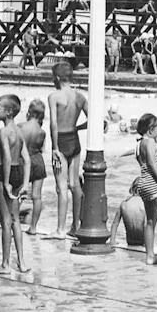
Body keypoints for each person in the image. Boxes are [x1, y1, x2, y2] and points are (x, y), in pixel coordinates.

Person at [48, 61, 87, 241]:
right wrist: (78, 128)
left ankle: (60, 229)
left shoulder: (54, 96)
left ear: (56, 77)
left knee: (61, 187)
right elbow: (97, 121)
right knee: (75, 185)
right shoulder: (80, 97)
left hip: (61, 142)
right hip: (75, 140)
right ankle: (75, 226)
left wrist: (54, 147)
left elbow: (54, 124)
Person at [0, 94, 31, 275]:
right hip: (19, 172)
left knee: (6, 221)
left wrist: (5, 183)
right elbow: (27, 160)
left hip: (5, 174)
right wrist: (25, 183)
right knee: (16, 221)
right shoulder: (20, 131)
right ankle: (21, 262)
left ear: (8, 112)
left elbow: (6, 157)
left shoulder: (3, 132)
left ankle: (6, 264)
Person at [135, 113, 157, 265]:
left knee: (150, 220)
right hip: (152, 182)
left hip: (143, 183)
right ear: (150, 130)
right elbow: (151, 163)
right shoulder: (149, 142)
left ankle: (150, 256)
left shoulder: (139, 144)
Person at [17, 99, 47, 235]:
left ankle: (14, 224)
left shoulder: (20, 126)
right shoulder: (42, 132)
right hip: (38, 161)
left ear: (28, 112)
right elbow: (42, 149)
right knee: (37, 196)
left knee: (17, 193)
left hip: (23, 160)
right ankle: (33, 227)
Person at [109, 180, 147, 248]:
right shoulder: (145, 205)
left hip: (130, 241)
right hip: (143, 243)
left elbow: (115, 224)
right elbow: (147, 226)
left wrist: (112, 241)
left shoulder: (124, 204)